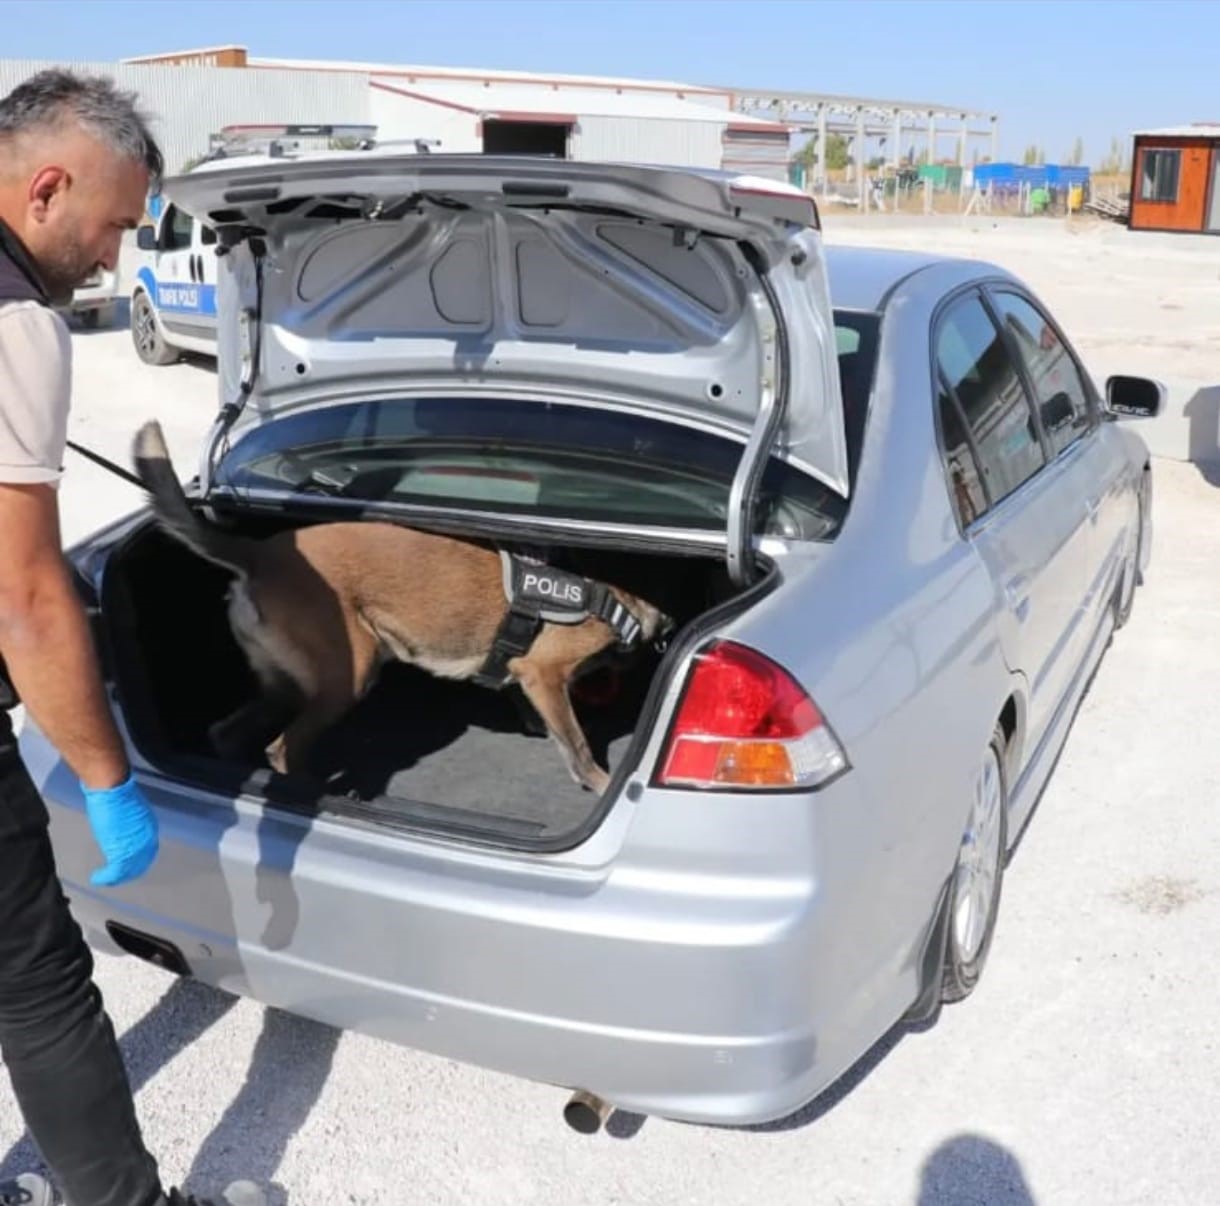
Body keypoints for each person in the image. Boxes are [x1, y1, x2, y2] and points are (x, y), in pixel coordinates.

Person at [0, 69, 266, 1206]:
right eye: (113, 226)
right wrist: (109, 778)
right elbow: (25, 593)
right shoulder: (15, 321)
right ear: (48, 188)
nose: (115, 259)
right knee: (36, 980)